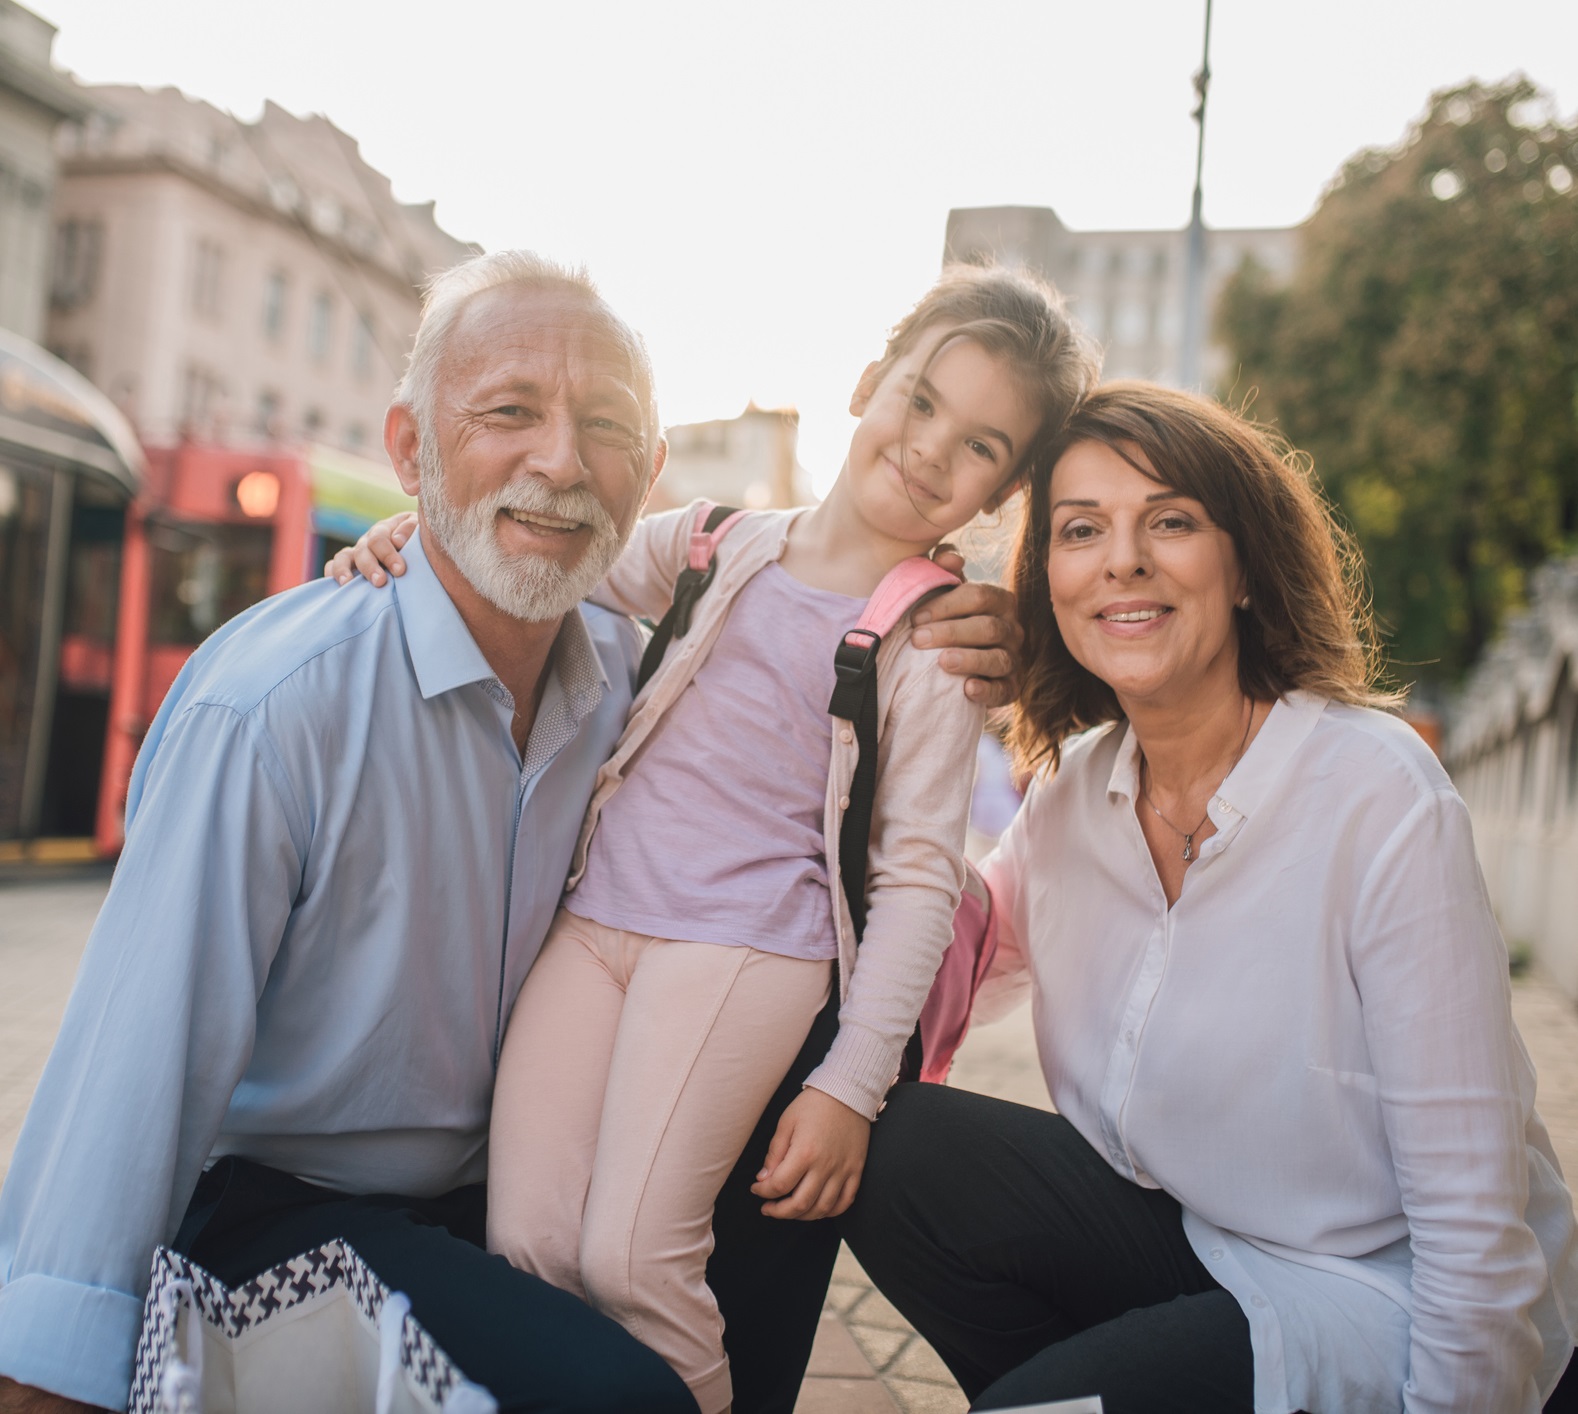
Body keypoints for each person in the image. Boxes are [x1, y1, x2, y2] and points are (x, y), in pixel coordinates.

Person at [0, 250, 1019, 1414]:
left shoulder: (641, 679)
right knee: (622, 1395)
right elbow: (137, 1058)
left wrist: (1002, 628)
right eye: (509, 413)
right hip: (290, 1203)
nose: (561, 462)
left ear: (649, 475)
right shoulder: (277, 707)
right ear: (411, 451)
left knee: (759, 1208)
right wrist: (53, 1365)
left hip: (504, 1181)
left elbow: (884, 836)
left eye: (605, 426)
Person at [330, 263, 1100, 1413]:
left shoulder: (936, 643)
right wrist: (414, 537)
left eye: (982, 445)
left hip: (745, 948)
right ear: (867, 382)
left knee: (633, 1261)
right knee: (527, 1244)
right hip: (595, 926)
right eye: (922, 399)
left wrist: (850, 1085)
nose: (932, 448)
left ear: (1002, 490)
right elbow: (546, 558)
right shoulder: (708, 542)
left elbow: (916, 882)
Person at [840, 382, 1578, 1414]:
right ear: (1048, 580)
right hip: (1195, 1243)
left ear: (1242, 568)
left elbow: (1474, 1218)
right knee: (893, 1146)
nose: (1123, 561)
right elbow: (938, 957)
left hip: (1379, 1299)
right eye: (1080, 530)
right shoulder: (1074, 794)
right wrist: (916, 693)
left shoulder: (1379, 795)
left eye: (1172, 521)